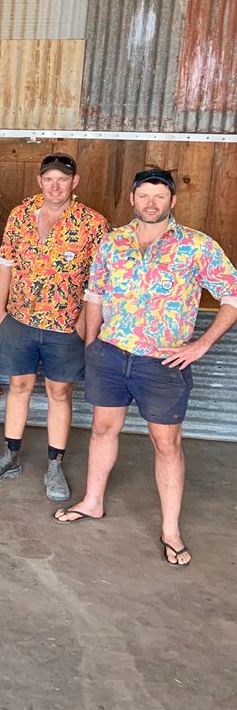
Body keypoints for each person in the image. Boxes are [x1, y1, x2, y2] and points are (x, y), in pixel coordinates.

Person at [54, 169, 237, 568]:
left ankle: (170, 529)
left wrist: (201, 345)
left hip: (163, 361)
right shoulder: (113, 242)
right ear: (132, 199)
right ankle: (92, 501)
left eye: (159, 196)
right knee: (103, 429)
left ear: (172, 202)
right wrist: (92, 345)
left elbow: (233, 294)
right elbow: (95, 294)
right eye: (144, 196)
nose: (151, 203)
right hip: (112, 354)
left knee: (166, 444)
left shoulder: (196, 246)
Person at [0, 153, 110, 500]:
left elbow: (99, 280)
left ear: (74, 182)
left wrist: (84, 323)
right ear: (40, 181)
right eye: (49, 179)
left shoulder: (92, 223)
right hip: (19, 319)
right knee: (18, 387)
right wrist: (1, 310)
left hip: (65, 325)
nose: (55, 186)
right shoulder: (20, 215)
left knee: (59, 392)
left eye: (63, 179)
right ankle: (10, 456)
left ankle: (55, 464)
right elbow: (5, 263)